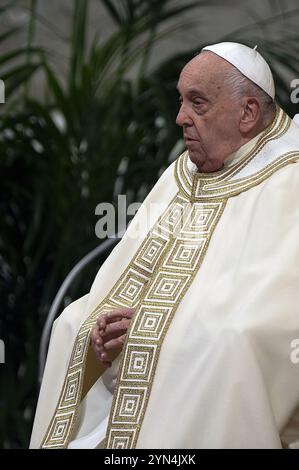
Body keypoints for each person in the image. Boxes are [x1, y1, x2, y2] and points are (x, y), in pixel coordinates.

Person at [30, 42, 299, 449]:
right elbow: (130, 273)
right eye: (181, 101)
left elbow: (270, 317)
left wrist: (158, 327)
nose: (180, 118)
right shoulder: (184, 170)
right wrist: (108, 323)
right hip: (163, 338)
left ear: (247, 113)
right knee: (73, 322)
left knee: (227, 348)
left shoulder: (289, 178)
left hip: (223, 349)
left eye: (198, 104)